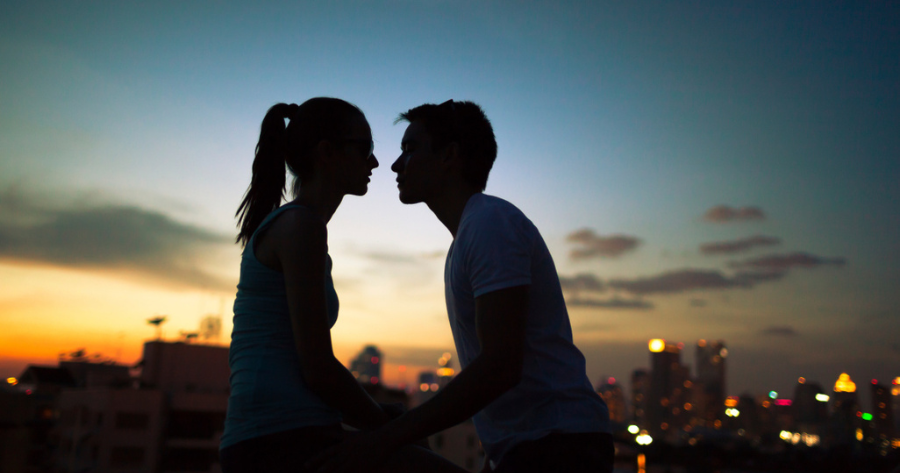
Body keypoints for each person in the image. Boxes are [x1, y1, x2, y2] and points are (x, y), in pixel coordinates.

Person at [309, 100, 613, 473]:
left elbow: (501, 366)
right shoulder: (469, 237)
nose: (395, 165)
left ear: (449, 156)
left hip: (560, 447)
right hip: (532, 447)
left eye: (410, 149)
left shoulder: (490, 224)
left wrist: (386, 438)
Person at [220, 98, 466, 473]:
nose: (375, 162)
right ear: (327, 153)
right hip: (277, 442)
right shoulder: (300, 227)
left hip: (291, 434)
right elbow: (317, 367)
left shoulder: (300, 227)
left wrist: (383, 416)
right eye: (364, 148)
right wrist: (390, 427)